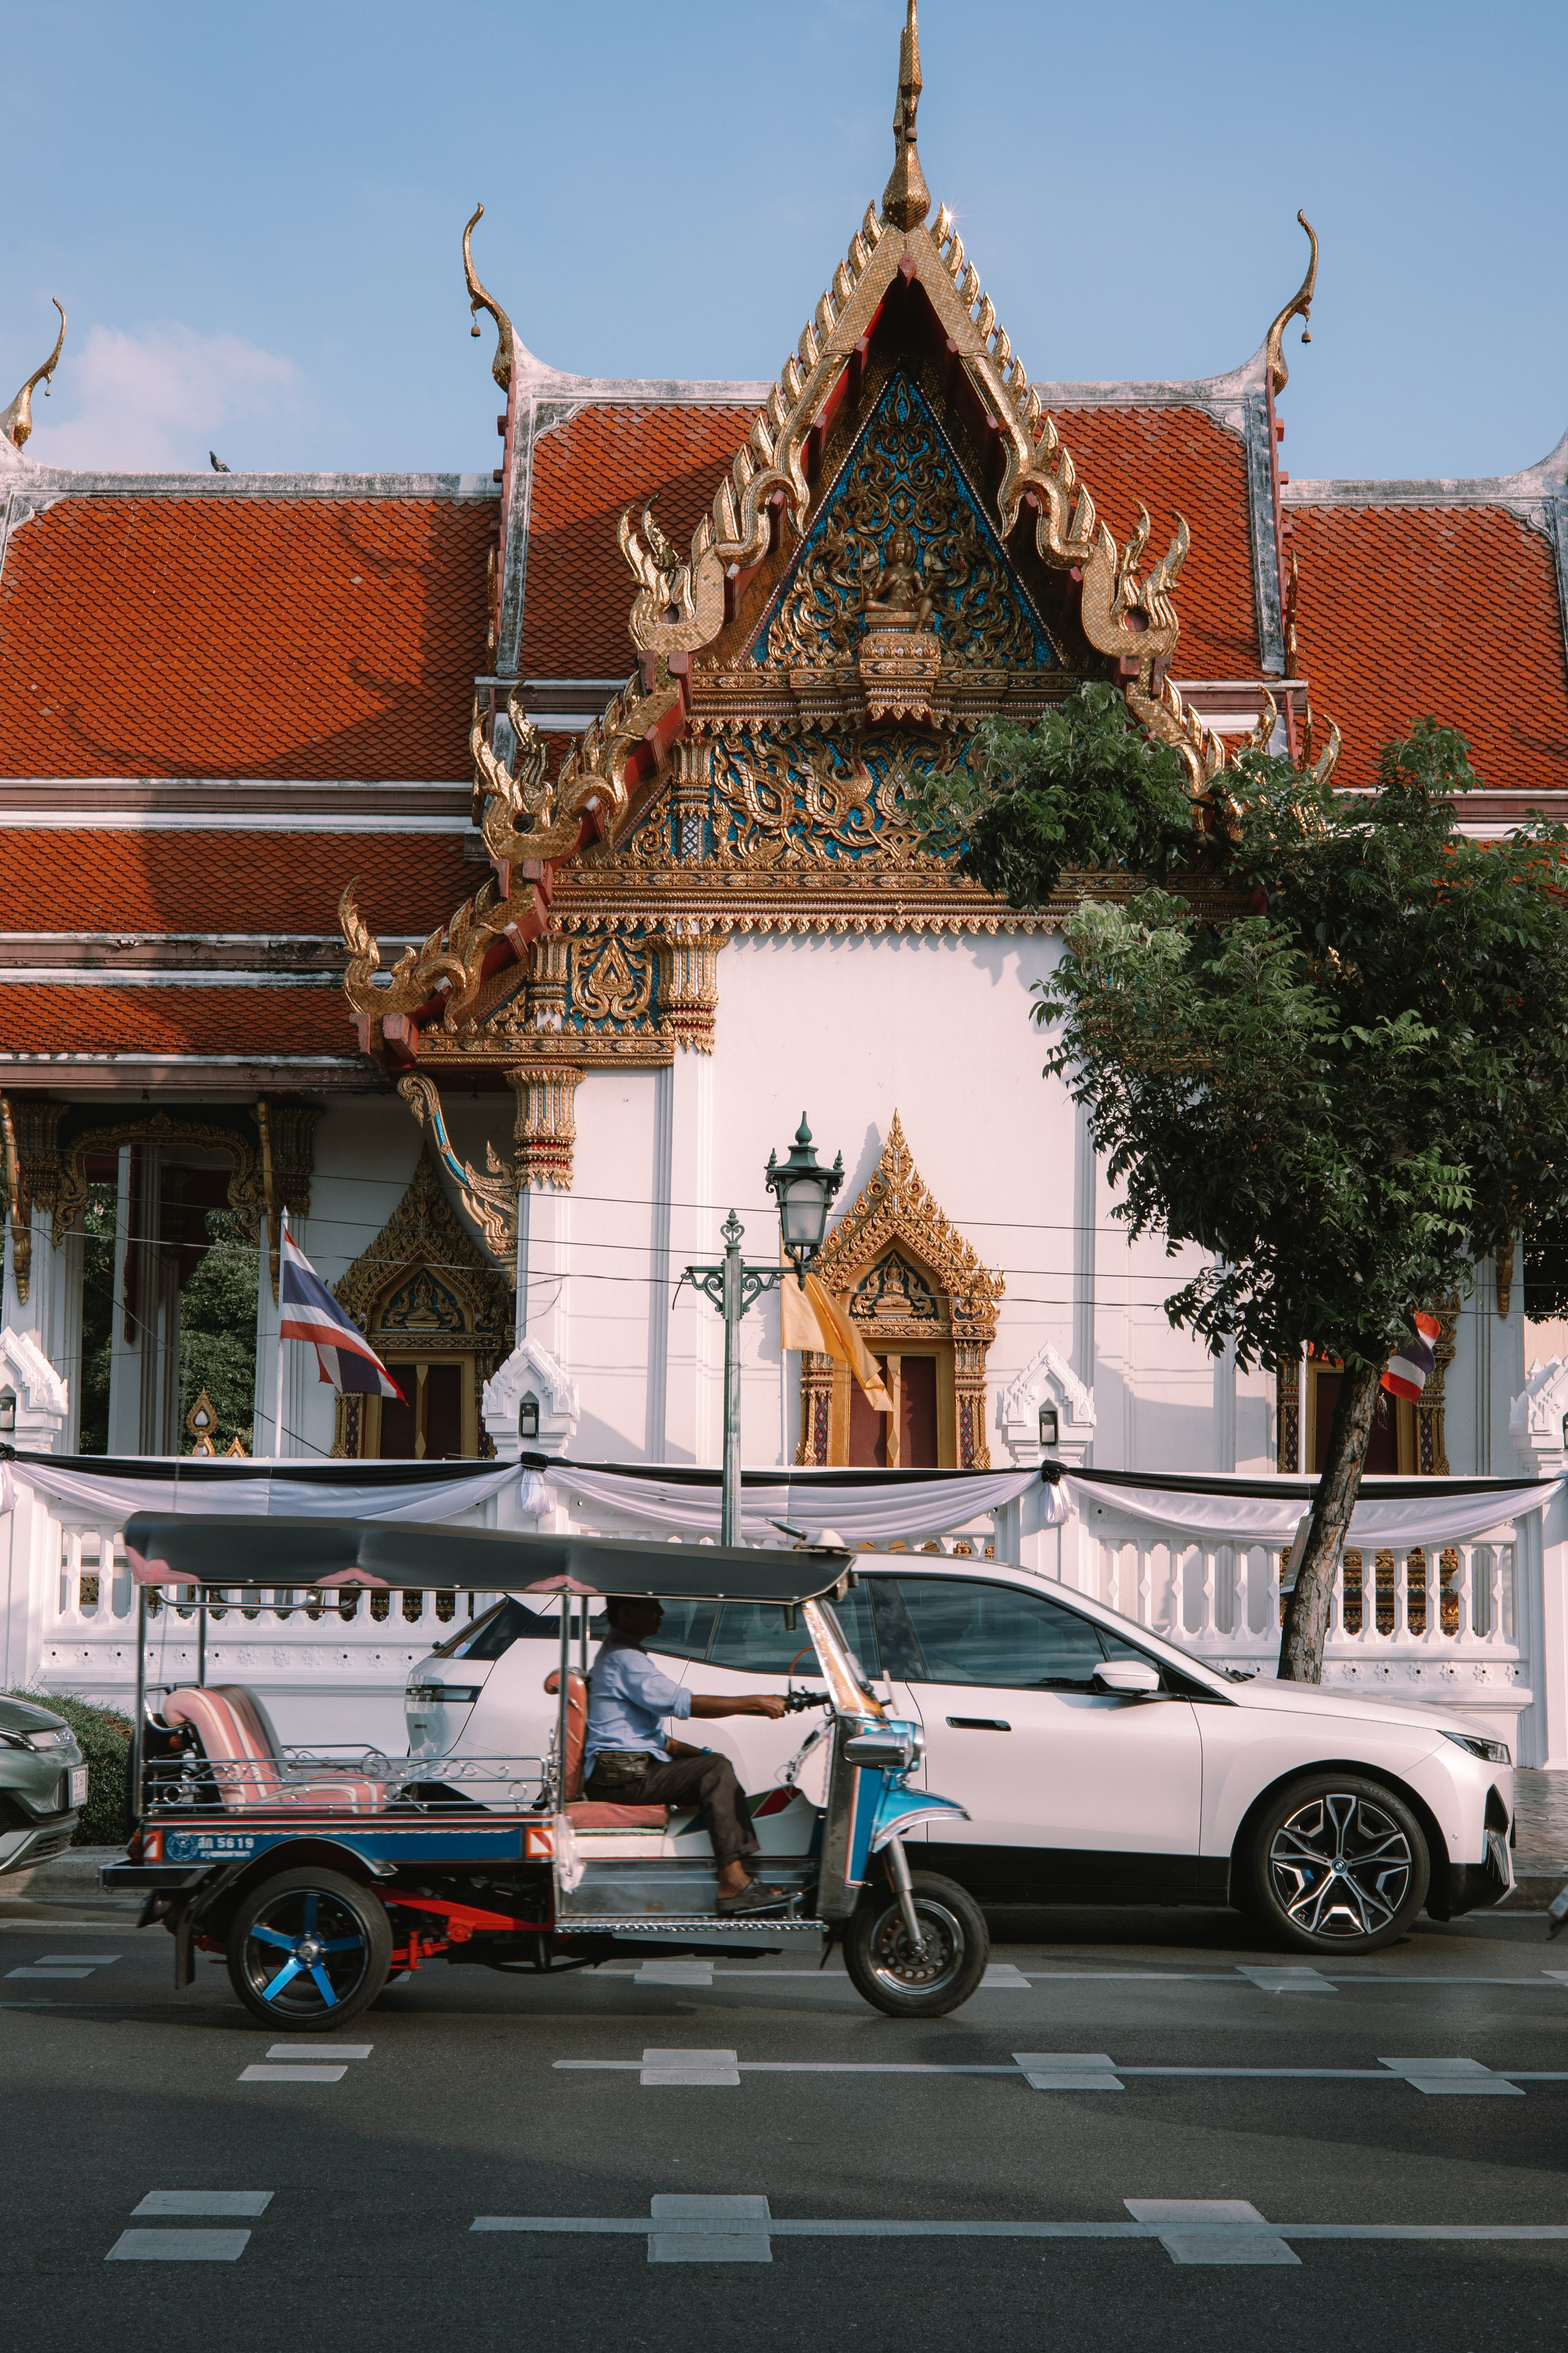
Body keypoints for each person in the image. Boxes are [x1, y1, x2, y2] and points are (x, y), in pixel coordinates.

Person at [583, 1595, 790, 1915]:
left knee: (715, 1764)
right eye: (653, 1607)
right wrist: (754, 1704)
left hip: (624, 1770)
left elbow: (657, 1740)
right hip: (621, 1776)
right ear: (626, 1613)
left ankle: (744, 1871)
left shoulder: (622, 1654)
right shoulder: (624, 1658)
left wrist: (705, 1754)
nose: (662, 1613)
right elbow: (682, 1704)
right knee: (715, 1770)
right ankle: (733, 1881)